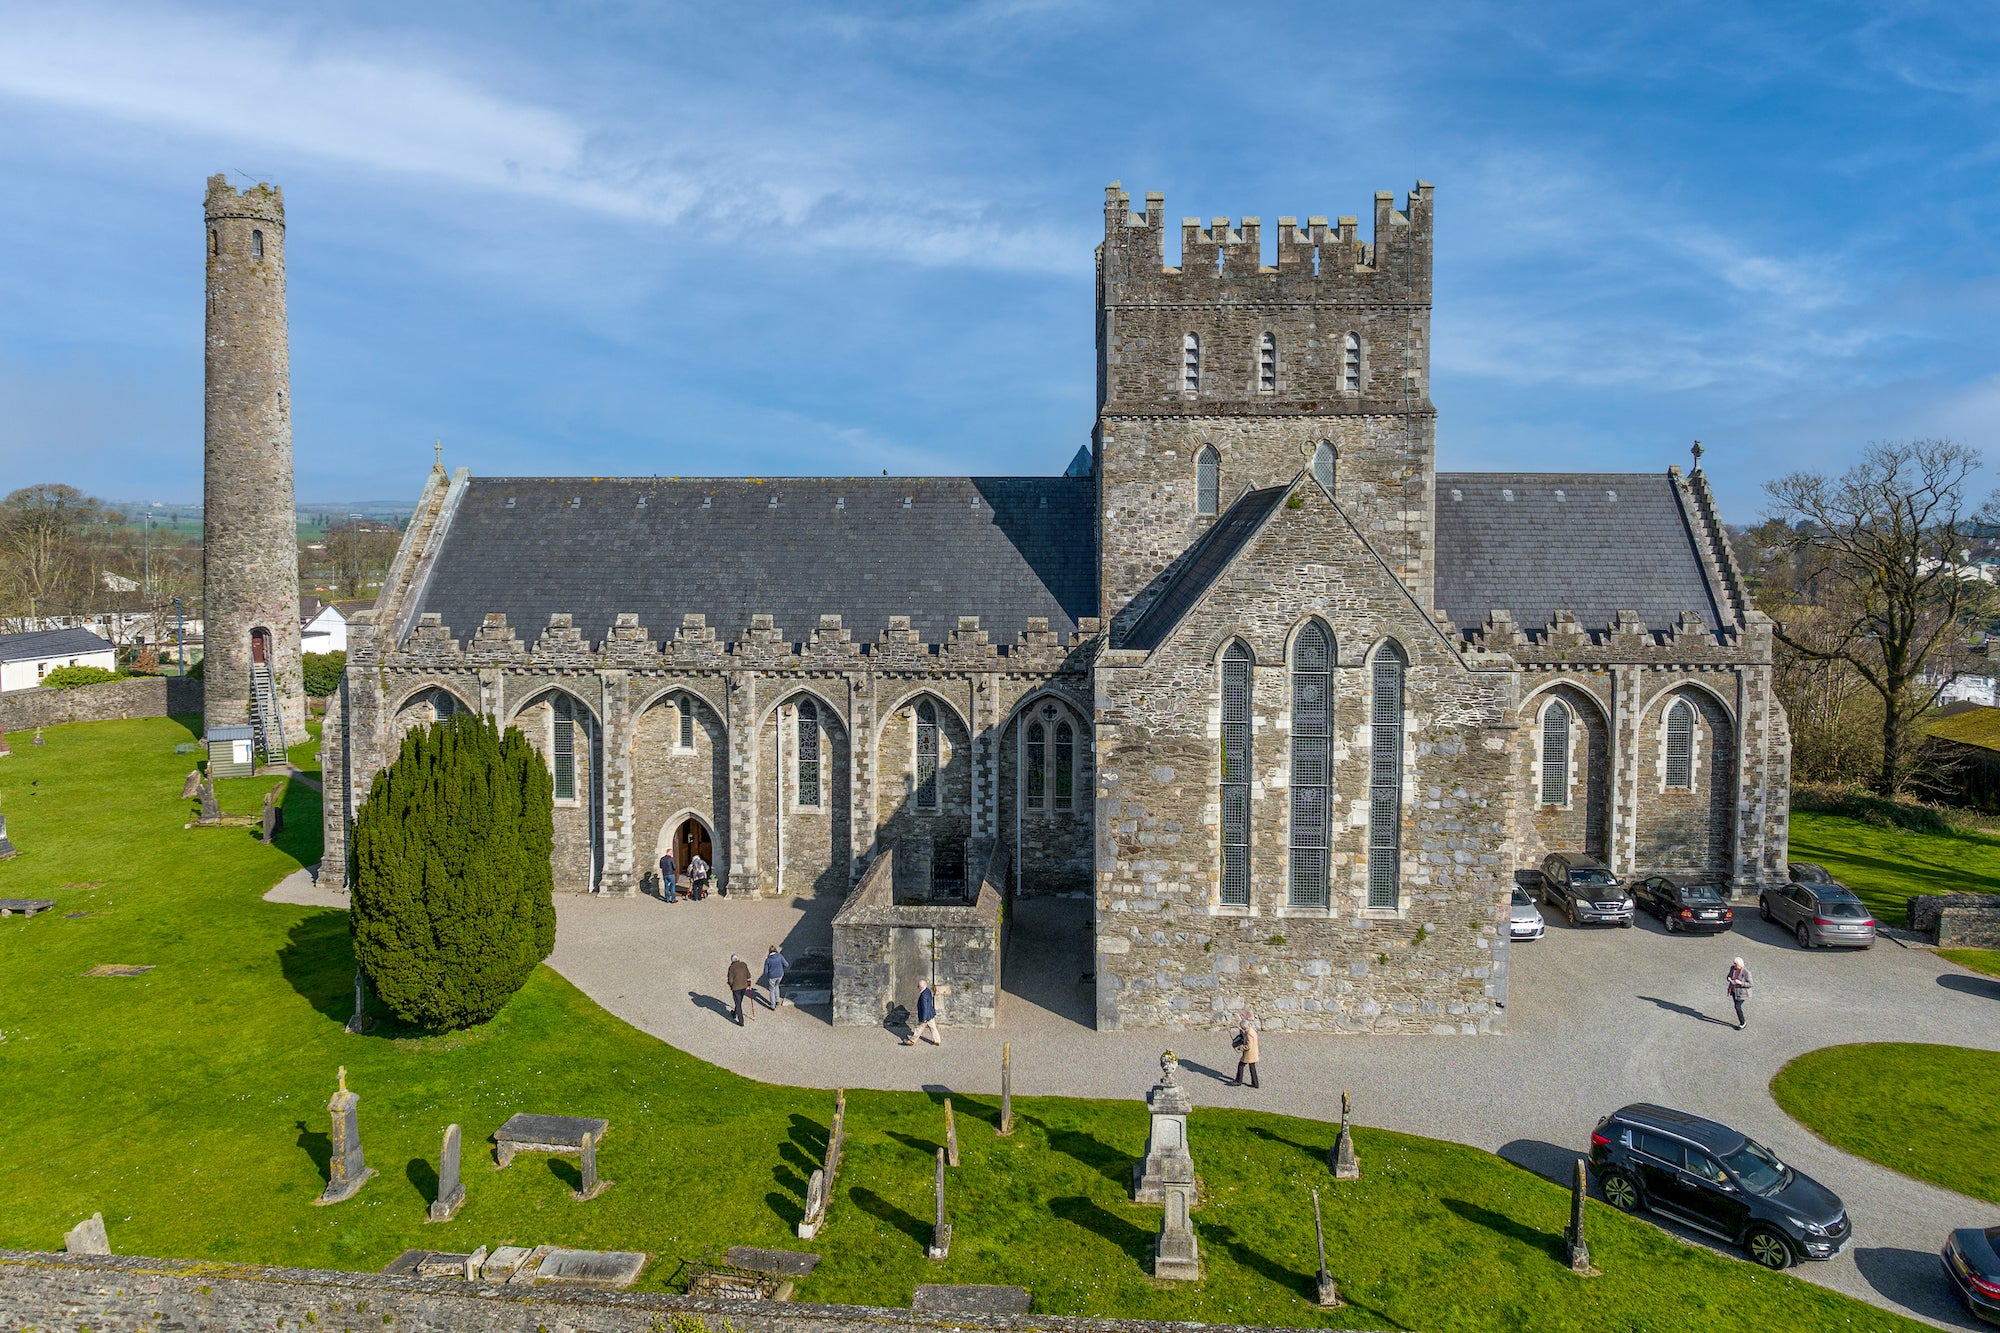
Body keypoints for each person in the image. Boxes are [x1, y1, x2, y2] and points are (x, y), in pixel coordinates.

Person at [1230, 1016, 1261, 1088]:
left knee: (1241, 1065)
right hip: (1253, 1052)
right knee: (1252, 1067)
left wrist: (1240, 1048)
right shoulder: (1251, 1030)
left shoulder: (1249, 1034)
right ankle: (1255, 1083)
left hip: (1249, 1054)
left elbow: (1248, 1046)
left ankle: (1238, 1081)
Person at [1726, 957, 1754, 1029]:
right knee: (1736, 1007)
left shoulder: (1746, 972)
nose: (1734, 965)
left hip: (1742, 993)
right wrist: (1728, 978)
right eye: (1734, 963)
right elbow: (1729, 975)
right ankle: (1742, 1022)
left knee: (1737, 1007)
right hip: (1734, 991)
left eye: (1736, 964)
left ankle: (1743, 1023)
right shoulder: (1732, 968)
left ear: (1740, 964)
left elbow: (1750, 984)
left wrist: (1741, 983)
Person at [727, 953, 753, 1026]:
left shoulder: (732, 967)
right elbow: (748, 975)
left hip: (736, 988)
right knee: (739, 1001)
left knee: (738, 1003)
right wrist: (748, 982)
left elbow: (730, 980)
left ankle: (741, 1021)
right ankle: (735, 1013)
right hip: (744, 986)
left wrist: (731, 986)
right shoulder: (744, 964)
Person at [913, 978, 941, 1046]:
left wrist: (924, 1018)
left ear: (921, 987)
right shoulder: (928, 991)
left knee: (919, 1028)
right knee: (933, 1028)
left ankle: (912, 1040)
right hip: (930, 1014)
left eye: (918, 986)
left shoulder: (923, 995)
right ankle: (937, 1041)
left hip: (926, 1015)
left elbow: (924, 1007)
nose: (917, 987)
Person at [763, 944, 789, 1009]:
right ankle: (777, 1000)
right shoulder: (780, 956)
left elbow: (765, 971)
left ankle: (772, 1005)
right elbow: (786, 964)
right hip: (780, 975)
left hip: (772, 976)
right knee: (777, 986)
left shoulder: (768, 960)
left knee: (771, 990)